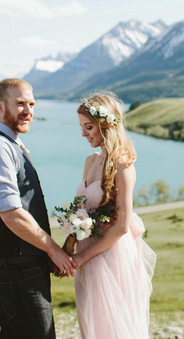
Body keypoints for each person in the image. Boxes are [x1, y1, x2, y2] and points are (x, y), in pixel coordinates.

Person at [0, 78, 77, 339]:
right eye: (20, 104)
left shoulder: (10, 144)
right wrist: (53, 250)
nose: (28, 111)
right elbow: (11, 213)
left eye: (31, 104)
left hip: (22, 261)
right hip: (16, 264)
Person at [71, 92, 156, 339]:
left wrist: (83, 256)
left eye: (88, 127)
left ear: (105, 125)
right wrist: (71, 245)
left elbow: (121, 226)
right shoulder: (90, 160)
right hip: (86, 254)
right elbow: (81, 209)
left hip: (110, 254)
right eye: (81, 127)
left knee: (112, 325)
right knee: (90, 324)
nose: (84, 134)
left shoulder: (123, 166)